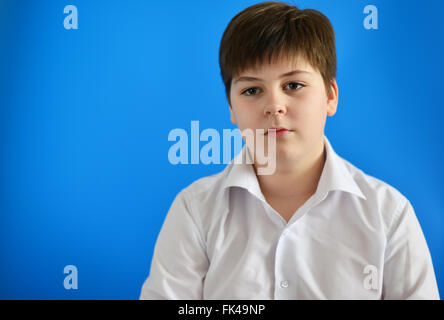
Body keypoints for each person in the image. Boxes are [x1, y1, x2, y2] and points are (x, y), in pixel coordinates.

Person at [139, 1, 440, 299]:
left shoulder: (389, 215)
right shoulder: (196, 211)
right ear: (231, 108)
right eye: (252, 90)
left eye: (293, 85)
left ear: (330, 97)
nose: (274, 106)